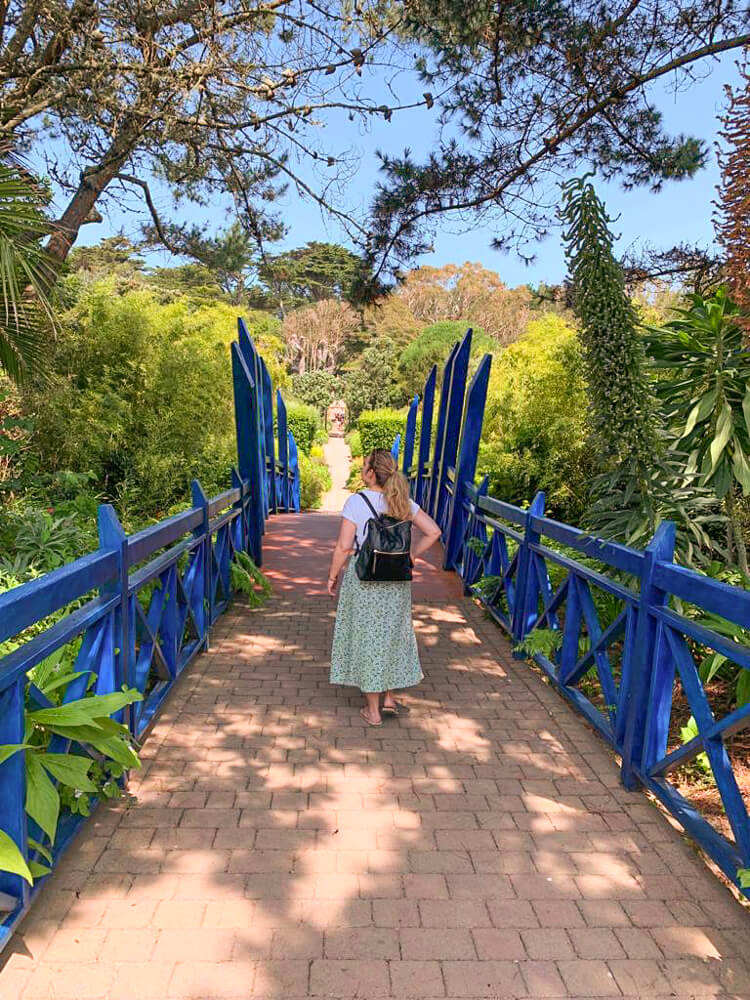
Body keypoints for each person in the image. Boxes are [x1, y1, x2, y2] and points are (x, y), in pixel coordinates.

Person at [327, 449, 442, 726]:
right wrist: (413, 555)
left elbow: (344, 546)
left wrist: (332, 576)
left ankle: (373, 710)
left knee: (369, 638)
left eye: (364, 466)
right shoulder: (403, 501)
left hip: (365, 578)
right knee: (391, 634)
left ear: (370, 473)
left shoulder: (356, 502)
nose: (362, 470)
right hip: (396, 580)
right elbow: (435, 531)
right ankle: (389, 698)